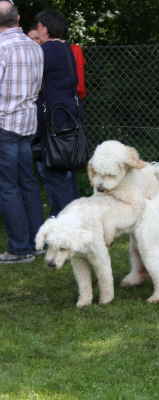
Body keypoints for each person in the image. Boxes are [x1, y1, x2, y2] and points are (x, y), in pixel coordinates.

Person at [0, 0, 44, 264]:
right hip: (28, 124)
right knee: (28, 184)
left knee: (8, 187)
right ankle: (37, 243)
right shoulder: (35, 47)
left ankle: (20, 248)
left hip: (4, 124)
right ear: (17, 20)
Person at [34, 9, 79, 216]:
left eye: (39, 26)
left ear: (46, 27)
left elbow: (33, 80)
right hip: (67, 118)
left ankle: (66, 223)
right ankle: (69, 219)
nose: (37, 30)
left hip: (53, 122)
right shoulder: (66, 49)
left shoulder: (48, 50)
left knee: (55, 174)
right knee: (65, 175)